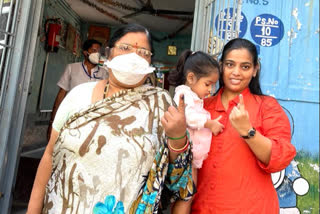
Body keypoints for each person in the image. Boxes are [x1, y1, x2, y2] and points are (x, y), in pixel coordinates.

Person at [27, 23, 195, 214]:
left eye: (143, 52)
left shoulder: (161, 103)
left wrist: (178, 136)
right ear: (109, 53)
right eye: (125, 48)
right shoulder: (78, 95)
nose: (134, 56)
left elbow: (178, 176)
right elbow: (50, 155)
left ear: (150, 61)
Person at [191, 38, 296, 213]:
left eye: (245, 67)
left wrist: (248, 131)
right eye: (230, 65)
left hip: (252, 207)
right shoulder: (201, 107)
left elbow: (280, 158)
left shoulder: (266, 106)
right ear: (221, 66)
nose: (236, 72)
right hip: (203, 207)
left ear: (255, 70)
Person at [167, 50, 224, 212]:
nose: (211, 90)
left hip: (192, 157)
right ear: (191, 78)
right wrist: (209, 124)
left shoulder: (193, 96)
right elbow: (188, 117)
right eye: (207, 84)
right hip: (185, 156)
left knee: (189, 193)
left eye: (213, 85)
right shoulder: (184, 94)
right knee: (186, 195)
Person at [47, 39, 108, 140]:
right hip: (71, 118)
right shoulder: (72, 68)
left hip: (93, 120)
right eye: (93, 51)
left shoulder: (104, 73)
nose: (97, 54)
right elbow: (61, 94)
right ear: (85, 52)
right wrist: (52, 121)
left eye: (98, 51)